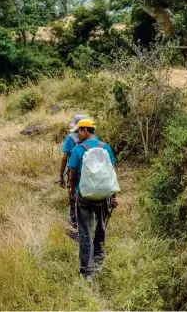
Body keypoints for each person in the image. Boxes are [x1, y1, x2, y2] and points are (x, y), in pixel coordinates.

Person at [68, 118, 119, 281]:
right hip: (104, 195)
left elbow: (73, 173)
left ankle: (87, 271)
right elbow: (111, 172)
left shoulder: (78, 150)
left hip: (84, 196)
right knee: (101, 227)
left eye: (78, 131)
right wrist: (114, 196)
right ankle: (99, 259)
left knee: (85, 231)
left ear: (85, 130)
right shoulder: (106, 147)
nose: (77, 135)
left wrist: (71, 191)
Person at [59, 114, 88, 228]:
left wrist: (61, 175)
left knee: (72, 193)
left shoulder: (70, 138)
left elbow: (65, 158)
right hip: (89, 171)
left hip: (73, 171)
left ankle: (74, 219)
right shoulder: (93, 139)